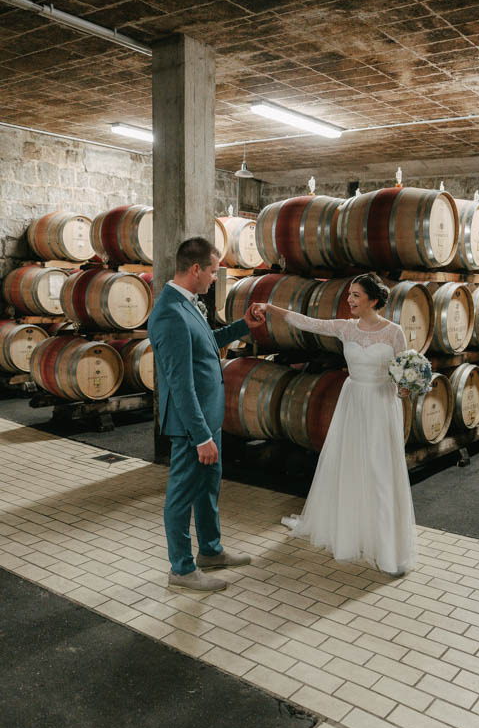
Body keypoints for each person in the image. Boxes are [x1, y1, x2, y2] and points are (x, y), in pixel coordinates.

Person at [254, 273, 417, 575]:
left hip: (381, 404)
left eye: (356, 295)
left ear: (373, 300)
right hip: (353, 401)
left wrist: (406, 388)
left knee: (380, 469)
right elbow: (308, 323)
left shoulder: (394, 332)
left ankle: (387, 547)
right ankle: (349, 531)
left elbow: (403, 373)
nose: (349, 300)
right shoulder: (345, 327)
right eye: (349, 294)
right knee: (350, 464)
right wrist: (270, 308)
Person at [148, 236, 264, 592]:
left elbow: (207, 343)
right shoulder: (169, 313)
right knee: (182, 493)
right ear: (196, 269)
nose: (215, 278)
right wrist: (200, 436)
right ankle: (181, 569)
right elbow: (180, 383)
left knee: (208, 487)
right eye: (213, 272)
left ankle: (211, 551)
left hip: (206, 418)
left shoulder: (187, 303)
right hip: (190, 426)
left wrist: (243, 325)